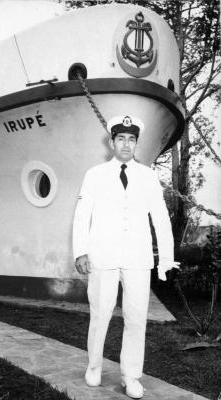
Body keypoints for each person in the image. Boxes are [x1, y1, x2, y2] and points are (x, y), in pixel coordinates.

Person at [72, 115, 179, 399]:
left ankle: (131, 376)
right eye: (121, 138)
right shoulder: (94, 174)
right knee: (100, 315)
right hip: (102, 257)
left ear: (136, 144)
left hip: (137, 259)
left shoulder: (148, 176)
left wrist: (166, 258)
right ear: (111, 142)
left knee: (136, 319)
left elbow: (160, 218)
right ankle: (94, 365)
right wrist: (80, 251)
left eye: (131, 139)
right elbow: (83, 215)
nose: (126, 144)